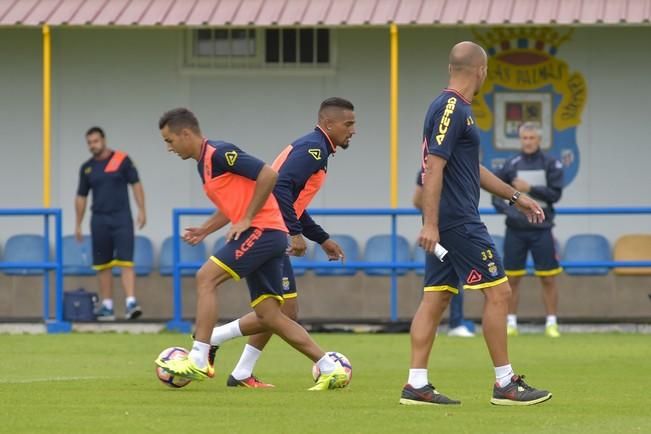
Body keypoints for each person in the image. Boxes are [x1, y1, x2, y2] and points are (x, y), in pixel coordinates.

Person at [400, 41, 552, 406]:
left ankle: (416, 384)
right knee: (499, 292)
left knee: (435, 298)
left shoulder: (456, 109)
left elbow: (472, 169)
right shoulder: (452, 106)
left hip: (449, 221)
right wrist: (432, 224)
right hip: (458, 222)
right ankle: (505, 383)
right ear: (480, 70)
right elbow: (433, 167)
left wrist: (515, 196)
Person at [155, 108, 347, 390]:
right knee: (270, 316)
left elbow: (268, 175)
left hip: (263, 230)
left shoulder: (220, 153)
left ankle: (198, 357)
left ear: (185, 134)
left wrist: (246, 219)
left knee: (205, 278)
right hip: (267, 232)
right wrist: (206, 229)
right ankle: (330, 368)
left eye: (169, 140)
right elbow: (234, 201)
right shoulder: (204, 165)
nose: (168, 148)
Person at [208, 97, 354, 388]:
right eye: (348, 124)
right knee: (280, 313)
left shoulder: (317, 149)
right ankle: (212, 339)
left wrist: (321, 238)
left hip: (271, 227)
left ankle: (238, 371)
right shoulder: (313, 150)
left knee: (281, 312)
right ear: (328, 124)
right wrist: (295, 233)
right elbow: (281, 187)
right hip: (266, 230)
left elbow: (294, 201)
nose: (353, 130)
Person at [492, 122, 564, 338]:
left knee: (548, 277)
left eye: (532, 138)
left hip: (542, 229)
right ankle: (511, 323)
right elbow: (496, 194)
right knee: (512, 278)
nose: (528, 142)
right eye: (524, 138)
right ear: (520, 139)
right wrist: (511, 211)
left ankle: (551, 323)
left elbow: (555, 195)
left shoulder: (551, 163)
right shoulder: (511, 164)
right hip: (516, 229)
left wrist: (530, 188)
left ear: (539, 140)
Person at [75, 127, 146, 320]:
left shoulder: (122, 159)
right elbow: (81, 197)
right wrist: (78, 223)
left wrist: (142, 210)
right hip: (99, 220)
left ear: (104, 139)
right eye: (89, 142)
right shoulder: (87, 168)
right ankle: (107, 306)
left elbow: (136, 184)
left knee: (126, 261)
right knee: (102, 264)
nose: (93, 145)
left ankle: (131, 302)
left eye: (96, 141)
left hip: (122, 218)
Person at [413, 170, 475, 338]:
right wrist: (434, 216)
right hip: (437, 233)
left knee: (456, 278)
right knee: (433, 282)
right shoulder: (428, 169)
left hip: (459, 230)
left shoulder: (462, 169)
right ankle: (430, 327)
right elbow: (417, 200)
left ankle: (456, 323)